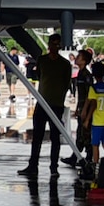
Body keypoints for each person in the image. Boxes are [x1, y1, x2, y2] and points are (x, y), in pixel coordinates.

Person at [19, 35, 72, 182]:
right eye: (53, 44)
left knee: (55, 137)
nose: (55, 47)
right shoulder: (42, 61)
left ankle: (53, 167)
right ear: (49, 45)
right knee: (37, 136)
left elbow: (67, 84)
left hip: (56, 105)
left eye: (57, 44)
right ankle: (33, 165)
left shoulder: (65, 64)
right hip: (42, 103)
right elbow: (40, 76)